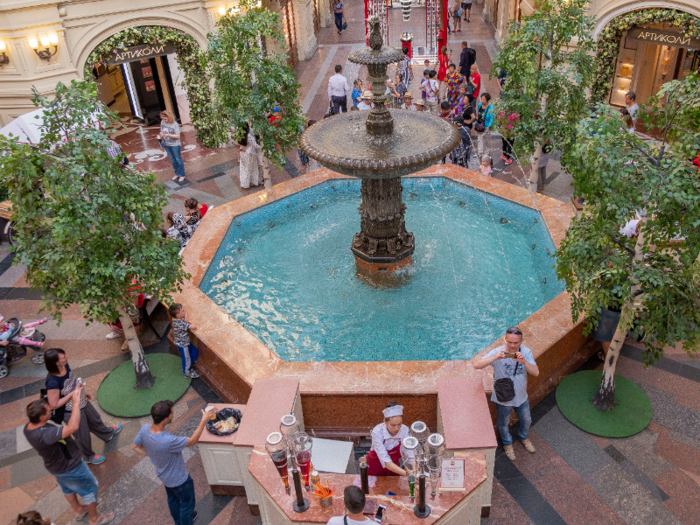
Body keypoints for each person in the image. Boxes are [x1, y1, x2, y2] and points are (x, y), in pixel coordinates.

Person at [25, 390, 114, 525]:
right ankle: (95, 519)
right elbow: (72, 427)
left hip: (55, 467)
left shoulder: (28, 427)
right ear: (41, 418)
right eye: (49, 411)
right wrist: (76, 402)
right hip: (70, 465)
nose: (51, 411)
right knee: (90, 488)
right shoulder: (46, 434)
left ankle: (78, 510)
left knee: (67, 487)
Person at [132, 401, 216, 525]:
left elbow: (134, 446)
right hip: (180, 480)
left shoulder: (145, 429)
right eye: (172, 413)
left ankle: (178, 521)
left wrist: (153, 454)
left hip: (165, 478)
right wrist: (204, 420)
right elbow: (192, 441)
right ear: (165, 419)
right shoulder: (168, 440)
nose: (173, 414)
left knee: (173, 500)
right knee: (187, 504)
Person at [471, 326, 539, 461]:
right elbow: (476, 365)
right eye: (509, 342)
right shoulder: (498, 352)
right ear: (505, 339)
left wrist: (524, 362)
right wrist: (494, 358)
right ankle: (508, 444)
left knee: (527, 420)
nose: (512, 346)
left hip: (521, 397)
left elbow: (536, 372)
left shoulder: (526, 352)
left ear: (522, 341)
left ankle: (523, 437)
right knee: (503, 423)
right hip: (504, 399)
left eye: (516, 343)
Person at [44, 348, 122, 465]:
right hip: (70, 410)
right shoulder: (52, 382)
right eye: (63, 357)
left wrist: (82, 392)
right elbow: (54, 404)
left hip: (81, 400)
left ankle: (106, 433)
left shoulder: (65, 365)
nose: (66, 357)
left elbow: (73, 381)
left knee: (95, 418)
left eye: (64, 354)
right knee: (82, 434)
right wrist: (73, 394)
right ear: (56, 363)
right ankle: (88, 456)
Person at [366, 401, 409, 476]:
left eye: (399, 424)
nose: (397, 428)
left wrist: (412, 470)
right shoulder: (377, 432)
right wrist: (407, 474)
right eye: (393, 425)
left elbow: (408, 453)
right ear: (385, 422)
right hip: (376, 464)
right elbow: (385, 460)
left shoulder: (405, 430)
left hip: (394, 466)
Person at [169, 303, 199, 379]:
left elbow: (185, 321)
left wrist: (185, 315)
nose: (185, 311)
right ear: (178, 315)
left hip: (185, 341)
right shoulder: (179, 323)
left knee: (195, 351)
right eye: (183, 310)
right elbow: (193, 327)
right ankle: (187, 373)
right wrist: (189, 320)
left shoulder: (175, 319)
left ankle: (189, 365)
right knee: (186, 359)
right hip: (183, 345)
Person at [158, 110, 186, 184]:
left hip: (175, 145)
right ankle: (177, 173)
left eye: (165, 119)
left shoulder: (175, 124)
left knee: (178, 159)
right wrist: (160, 135)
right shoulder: (162, 122)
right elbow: (161, 131)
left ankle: (182, 174)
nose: (164, 120)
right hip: (167, 144)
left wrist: (168, 135)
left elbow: (178, 136)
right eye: (163, 119)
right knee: (172, 160)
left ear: (169, 117)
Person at [235, 122, 262, 189]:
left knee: (244, 169)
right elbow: (255, 145)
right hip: (250, 155)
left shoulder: (239, 135)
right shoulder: (248, 136)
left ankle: (245, 183)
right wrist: (262, 147)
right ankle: (253, 182)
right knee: (252, 168)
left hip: (243, 154)